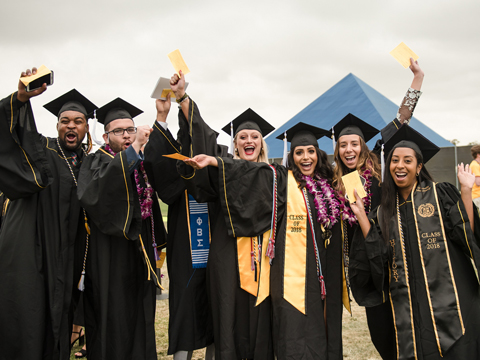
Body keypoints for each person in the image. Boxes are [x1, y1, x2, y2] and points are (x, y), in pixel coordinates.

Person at [183, 122, 345, 359]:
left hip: (320, 272)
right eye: (299, 152)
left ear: (319, 155)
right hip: (286, 271)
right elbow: (252, 172)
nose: (306, 157)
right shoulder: (281, 178)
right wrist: (215, 161)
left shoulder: (327, 187)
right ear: (291, 156)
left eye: (310, 151)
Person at [349, 125, 480, 359]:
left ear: (419, 167)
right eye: (394, 160)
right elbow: (378, 256)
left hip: (452, 302)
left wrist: (466, 191)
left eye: (407, 160)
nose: (400, 165)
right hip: (409, 309)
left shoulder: (440, 195)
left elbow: (467, 234)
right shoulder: (382, 213)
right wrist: (361, 215)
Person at [171, 71, 275, 360]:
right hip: (227, 256)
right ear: (236, 143)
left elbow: (259, 177)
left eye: (255, 136)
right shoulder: (223, 168)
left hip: (262, 258)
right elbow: (202, 138)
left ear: (262, 143)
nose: (249, 140)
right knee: (227, 314)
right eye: (243, 137)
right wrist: (183, 99)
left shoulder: (273, 175)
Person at [0, 67, 96, 360]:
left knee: (59, 319)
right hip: (33, 251)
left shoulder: (89, 163)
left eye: (78, 121)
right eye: (65, 120)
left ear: (86, 128)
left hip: (67, 258)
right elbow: (14, 137)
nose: (71, 126)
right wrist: (19, 99)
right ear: (56, 126)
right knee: (29, 317)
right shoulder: (43, 151)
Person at [332, 58, 424, 359]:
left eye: (354, 144)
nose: (349, 150)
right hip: (360, 265)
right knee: (379, 332)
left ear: (363, 146)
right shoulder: (333, 180)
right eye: (343, 145)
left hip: (389, 255)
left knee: (400, 325)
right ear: (337, 149)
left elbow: (402, 119)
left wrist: (417, 79)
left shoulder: (379, 170)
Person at [77, 98, 167, 360]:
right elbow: (97, 192)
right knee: (112, 315)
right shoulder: (96, 161)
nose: (127, 135)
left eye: (130, 129)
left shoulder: (140, 158)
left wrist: (161, 117)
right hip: (109, 255)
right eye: (119, 131)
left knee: (141, 313)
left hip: (139, 252)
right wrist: (135, 148)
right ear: (105, 135)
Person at [143, 96, 215, 360]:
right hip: (185, 247)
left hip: (215, 247)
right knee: (184, 304)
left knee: (216, 306)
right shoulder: (176, 160)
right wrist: (161, 116)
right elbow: (154, 161)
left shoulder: (218, 157)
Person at [469, 144, 480, 209]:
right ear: (478, 155)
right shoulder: (475, 165)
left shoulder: (475, 164)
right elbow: (478, 182)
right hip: (477, 196)